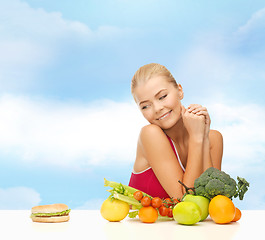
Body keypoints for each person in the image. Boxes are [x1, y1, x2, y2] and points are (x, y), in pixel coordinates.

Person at [128, 63, 223, 200]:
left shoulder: (214, 139)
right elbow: (185, 200)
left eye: (162, 97)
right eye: (145, 106)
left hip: (187, 222)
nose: (157, 108)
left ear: (179, 90)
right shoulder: (150, 134)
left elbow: (214, 201)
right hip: (138, 222)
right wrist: (196, 138)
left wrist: (204, 139)